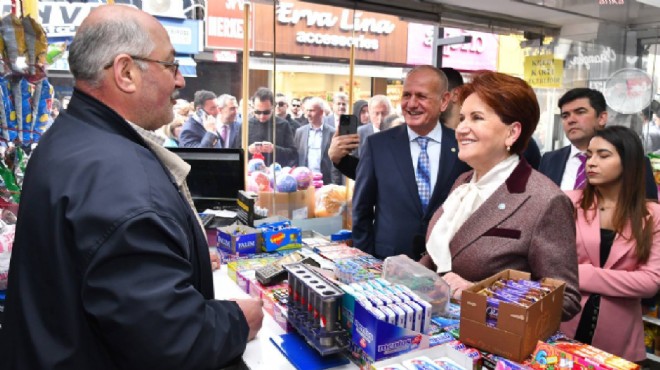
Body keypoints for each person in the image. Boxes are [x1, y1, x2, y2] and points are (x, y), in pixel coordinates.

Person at [0, 5, 264, 369]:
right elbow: (169, 340)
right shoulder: (123, 180)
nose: (181, 80)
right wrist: (237, 321)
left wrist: (189, 258)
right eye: (170, 65)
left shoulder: (68, 138)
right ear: (126, 72)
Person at [419, 70, 581, 320]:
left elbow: (565, 300)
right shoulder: (463, 183)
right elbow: (440, 257)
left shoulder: (545, 200)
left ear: (512, 133)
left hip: (496, 346)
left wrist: (480, 295)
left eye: (476, 118)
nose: (461, 128)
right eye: (462, 118)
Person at [559, 126, 660, 361]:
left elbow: (650, 283)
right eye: (589, 155)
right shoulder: (567, 202)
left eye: (603, 155)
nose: (591, 163)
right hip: (564, 327)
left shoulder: (652, 215)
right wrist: (621, 279)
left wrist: (579, 274)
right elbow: (551, 266)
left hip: (620, 337)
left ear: (629, 161)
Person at [352, 66, 470, 260]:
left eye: (421, 96)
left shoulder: (461, 147)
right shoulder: (378, 145)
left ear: (444, 101)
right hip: (387, 266)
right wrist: (367, 261)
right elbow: (361, 210)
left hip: (444, 265)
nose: (412, 104)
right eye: (407, 95)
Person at [539, 88, 658, 199]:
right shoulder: (550, 159)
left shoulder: (631, 159)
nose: (571, 120)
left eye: (580, 112)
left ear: (601, 118)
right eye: (565, 116)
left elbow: (646, 210)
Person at [294, 97, 342, 185]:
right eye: (307, 111)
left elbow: (337, 161)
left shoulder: (332, 133)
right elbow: (295, 157)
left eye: (312, 111)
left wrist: (335, 184)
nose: (308, 114)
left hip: (325, 182)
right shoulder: (300, 132)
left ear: (321, 112)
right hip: (304, 183)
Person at [247, 87, 297, 166]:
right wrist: (248, 150)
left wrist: (274, 149)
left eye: (266, 112)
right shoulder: (246, 125)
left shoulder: (283, 124)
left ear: (273, 108)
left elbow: (293, 153)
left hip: (276, 173)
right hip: (251, 173)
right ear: (253, 108)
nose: (262, 116)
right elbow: (237, 153)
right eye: (258, 112)